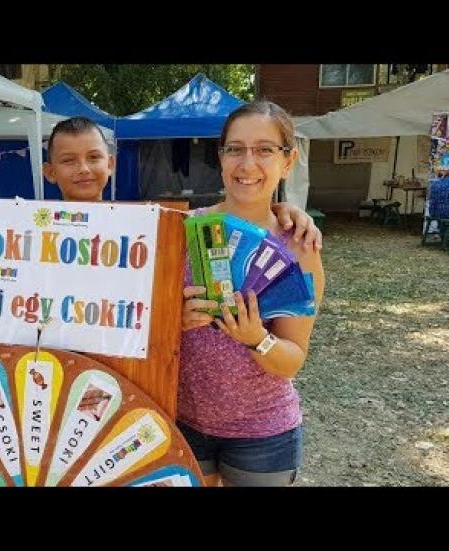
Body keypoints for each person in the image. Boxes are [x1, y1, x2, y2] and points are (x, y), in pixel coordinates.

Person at [177, 101, 326, 487]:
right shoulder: (182, 228)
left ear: (287, 161)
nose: (247, 164)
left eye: (264, 149)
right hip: (181, 421)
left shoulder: (299, 247)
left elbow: (292, 361)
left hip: (264, 435)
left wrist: (256, 339)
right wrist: (171, 322)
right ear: (221, 157)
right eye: (235, 149)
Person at [42, 116, 322, 251]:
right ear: (49, 172)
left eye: (94, 157)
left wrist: (281, 209)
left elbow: (214, 217)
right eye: (68, 160)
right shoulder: (29, 228)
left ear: (111, 164)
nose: (84, 169)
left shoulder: (142, 221)